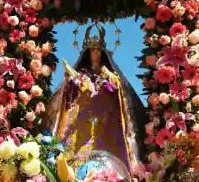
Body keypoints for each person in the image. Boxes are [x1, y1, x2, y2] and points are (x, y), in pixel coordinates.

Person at [47, 24, 148, 171]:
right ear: (88, 52)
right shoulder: (82, 72)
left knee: (106, 155)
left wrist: (109, 80)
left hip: (106, 121)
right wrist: (72, 80)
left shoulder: (109, 72)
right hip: (83, 121)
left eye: (98, 50)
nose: (95, 53)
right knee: (78, 155)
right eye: (92, 50)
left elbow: (118, 91)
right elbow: (70, 94)